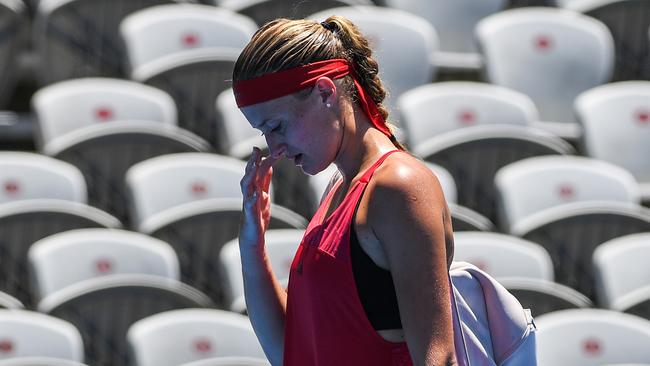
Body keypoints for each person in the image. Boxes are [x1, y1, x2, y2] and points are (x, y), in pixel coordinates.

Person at [234, 15, 457, 366]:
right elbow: (291, 352)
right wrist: (252, 247)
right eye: (265, 133)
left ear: (325, 92)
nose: (273, 147)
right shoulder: (338, 190)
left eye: (277, 126)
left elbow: (439, 357)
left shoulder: (398, 187)